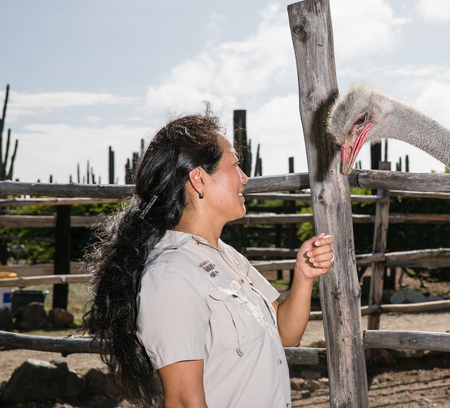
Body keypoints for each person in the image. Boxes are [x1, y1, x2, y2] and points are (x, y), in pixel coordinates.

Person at [84, 113, 334, 408]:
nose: (245, 178)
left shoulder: (228, 257)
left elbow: (284, 333)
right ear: (199, 178)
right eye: (235, 165)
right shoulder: (171, 276)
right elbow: (184, 401)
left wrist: (303, 276)